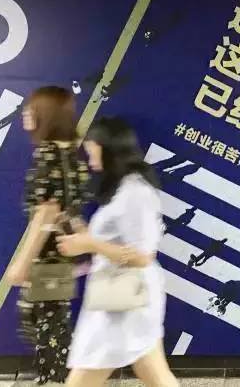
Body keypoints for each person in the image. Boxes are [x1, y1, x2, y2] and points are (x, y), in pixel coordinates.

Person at [56, 117, 178, 387]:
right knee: (155, 374)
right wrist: (81, 232)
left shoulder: (135, 192)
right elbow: (114, 242)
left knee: (83, 378)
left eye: (92, 152)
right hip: (122, 297)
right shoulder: (124, 189)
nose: (90, 160)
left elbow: (143, 256)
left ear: (109, 149)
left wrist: (89, 244)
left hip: (125, 300)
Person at [6, 86, 90, 385]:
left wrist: (22, 263)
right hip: (63, 256)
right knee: (51, 327)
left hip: (46, 259)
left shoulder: (48, 154)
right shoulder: (72, 155)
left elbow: (46, 213)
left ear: (47, 114)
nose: (25, 113)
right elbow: (70, 211)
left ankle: (61, 379)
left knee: (47, 331)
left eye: (31, 108)